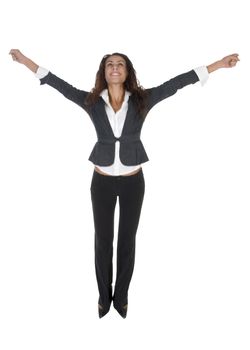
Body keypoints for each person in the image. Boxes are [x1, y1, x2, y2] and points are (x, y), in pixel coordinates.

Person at [9, 49, 239, 318]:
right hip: (102, 182)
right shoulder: (92, 101)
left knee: (127, 241)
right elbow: (58, 84)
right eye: (110, 64)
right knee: (103, 241)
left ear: (127, 71)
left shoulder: (143, 99)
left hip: (133, 182)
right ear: (103, 72)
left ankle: (122, 296)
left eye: (120, 64)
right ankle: (103, 297)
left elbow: (178, 82)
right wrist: (26, 62)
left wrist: (219, 65)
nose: (115, 68)